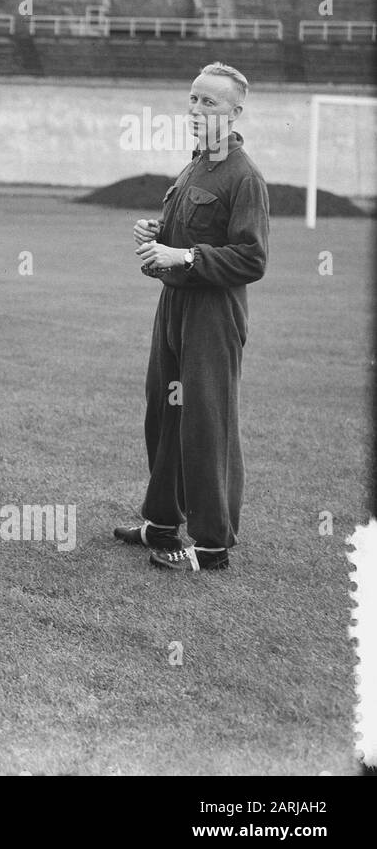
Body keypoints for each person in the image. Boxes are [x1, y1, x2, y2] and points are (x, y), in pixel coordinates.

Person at [115, 62, 270, 572]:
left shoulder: (244, 176)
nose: (197, 110)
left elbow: (251, 257)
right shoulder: (196, 165)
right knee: (164, 410)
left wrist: (182, 257)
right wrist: (156, 233)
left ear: (235, 112)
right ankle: (161, 522)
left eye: (211, 103)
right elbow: (188, 231)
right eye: (194, 100)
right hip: (176, 304)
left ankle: (210, 545)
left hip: (214, 311)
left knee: (207, 421)